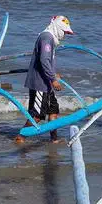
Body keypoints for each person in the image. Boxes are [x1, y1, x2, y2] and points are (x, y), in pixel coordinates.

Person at [15, 15, 75, 144]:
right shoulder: (47, 37)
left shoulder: (50, 38)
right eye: (64, 32)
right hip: (40, 83)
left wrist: (54, 74)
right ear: (58, 28)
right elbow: (44, 60)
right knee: (37, 115)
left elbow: (47, 61)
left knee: (53, 111)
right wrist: (53, 78)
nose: (64, 36)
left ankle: (54, 139)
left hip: (47, 81)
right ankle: (21, 137)